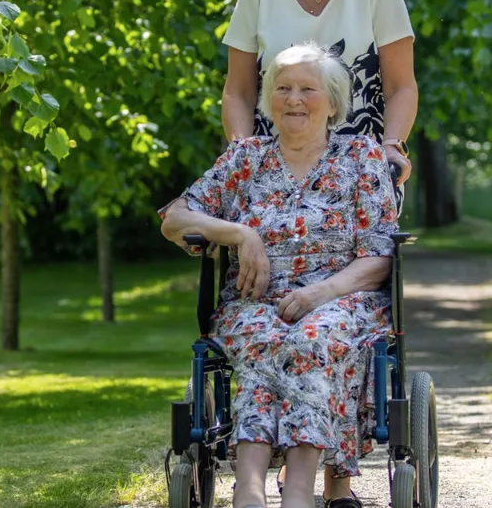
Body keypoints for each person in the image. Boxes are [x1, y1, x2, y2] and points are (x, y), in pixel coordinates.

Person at [160, 43, 399, 508]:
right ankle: (249, 489)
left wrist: (318, 294)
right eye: (282, 88)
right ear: (269, 100)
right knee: (264, 336)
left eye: (307, 89)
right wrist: (238, 233)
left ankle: (297, 492)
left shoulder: (360, 158)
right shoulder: (246, 158)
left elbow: (380, 256)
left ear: (332, 103)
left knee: (311, 337)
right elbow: (174, 218)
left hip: (341, 302)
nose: (293, 99)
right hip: (253, 303)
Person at [221, 0, 419, 202]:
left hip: (362, 178)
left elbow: (402, 88)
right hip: (272, 179)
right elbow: (238, 91)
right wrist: (243, 154)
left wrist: (392, 146)